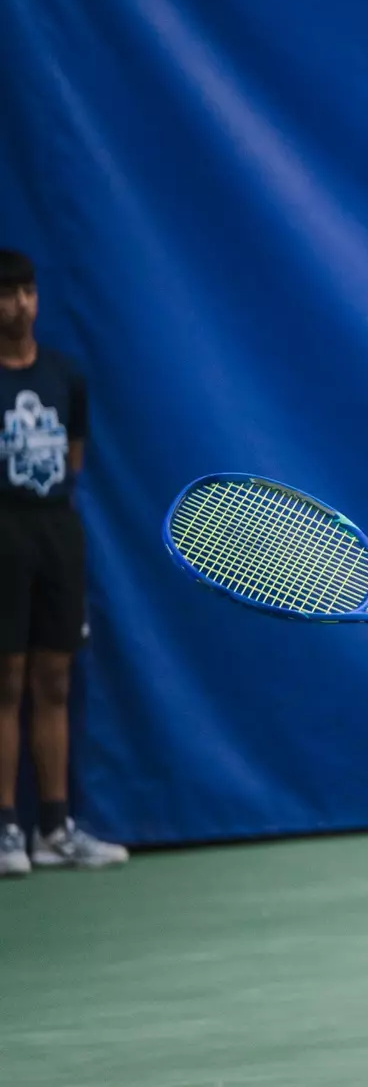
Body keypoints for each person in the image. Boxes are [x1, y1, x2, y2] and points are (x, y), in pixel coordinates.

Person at [0, 248, 128, 876]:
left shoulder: (64, 375)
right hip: (2, 536)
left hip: (57, 534)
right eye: (6, 293)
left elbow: (73, 460)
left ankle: (54, 828)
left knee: (53, 682)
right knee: (7, 682)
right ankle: (6, 832)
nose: (19, 304)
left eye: (27, 291)